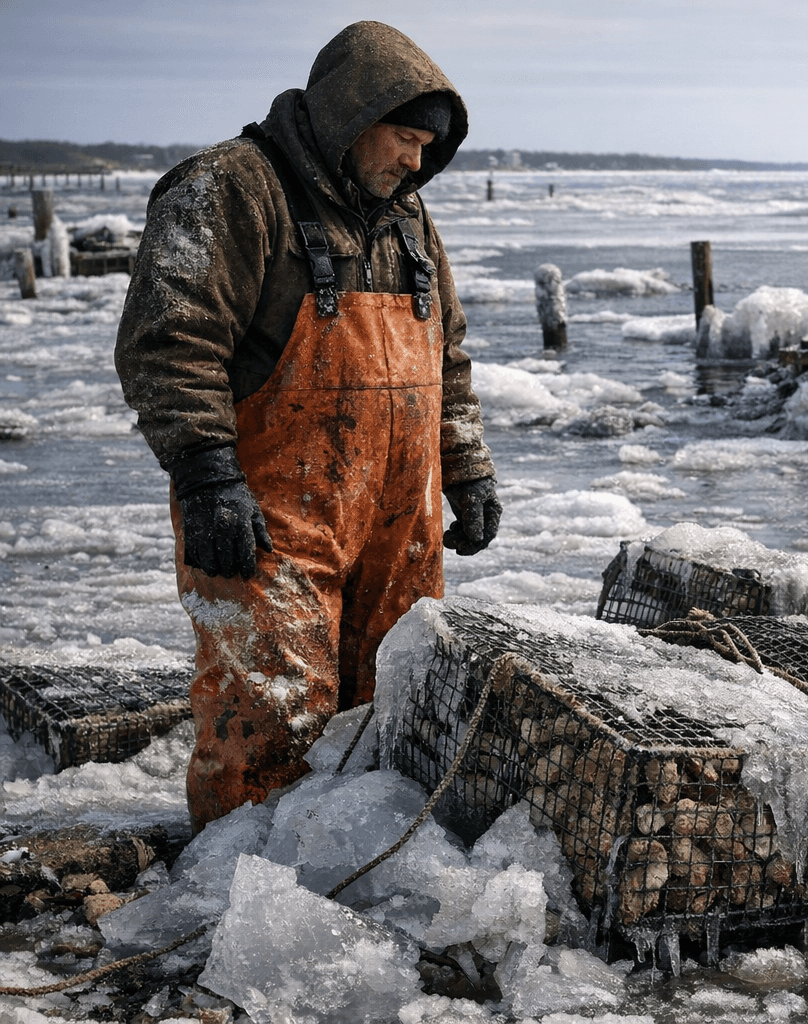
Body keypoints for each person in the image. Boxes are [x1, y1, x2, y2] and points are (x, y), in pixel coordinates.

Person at [115, 21, 500, 829]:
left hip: (397, 524)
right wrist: (206, 474)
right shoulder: (229, 188)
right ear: (352, 116)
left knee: (386, 705)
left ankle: (347, 878)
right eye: (404, 137)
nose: (415, 161)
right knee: (272, 710)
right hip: (269, 520)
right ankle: (237, 887)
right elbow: (169, 341)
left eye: (428, 146)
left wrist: (466, 470)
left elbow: (447, 360)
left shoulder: (409, 221)